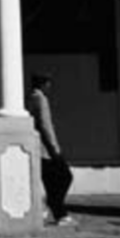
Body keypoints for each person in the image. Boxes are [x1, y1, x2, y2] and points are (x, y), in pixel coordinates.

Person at [27, 73, 75, 226]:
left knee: (50, 181)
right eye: (48, 84)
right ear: (42, 85)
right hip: (46, 149)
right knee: (65, 176)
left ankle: (60, 214)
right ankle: (56, 208)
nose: (50, 87)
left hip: (37, 148)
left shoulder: (30, 97)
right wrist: (55, 148)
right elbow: (45, 125)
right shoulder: (41, 99)